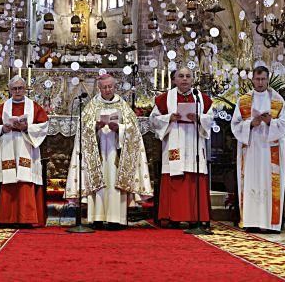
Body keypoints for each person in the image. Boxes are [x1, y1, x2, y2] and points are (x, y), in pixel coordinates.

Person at [65, 74, 152, 230]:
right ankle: (96, 219)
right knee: (99, 186)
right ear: (99, 88)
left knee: (114, 184)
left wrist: (120, 128)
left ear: (115, 87)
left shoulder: (123, 106)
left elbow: (134, 131)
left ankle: (115, 219)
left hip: (116, 155)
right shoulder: (92, 105)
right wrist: (95, 127)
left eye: (110, 86)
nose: (107, 90)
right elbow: (82, 129)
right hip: (97, 155)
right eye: (104, 87)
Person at [150, 67, 213, 228]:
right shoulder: (164, 99)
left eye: (188, 76)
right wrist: (169, 117)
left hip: (194, 143)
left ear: (193, 79)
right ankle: (173, 217)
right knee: (174, 175)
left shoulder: (202, 99)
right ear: (174, 79)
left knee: (194, 177)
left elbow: (210, 119)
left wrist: (199, 118)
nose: (184, 79)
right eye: (181, 76)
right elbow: (154, 120)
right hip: (174, 143)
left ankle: (196, 217)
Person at [231, 66, 285, 233]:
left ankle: (270, 224)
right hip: (250, 149)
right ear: (252, 80)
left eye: (263, 79)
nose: (260, 82)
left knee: (270, 183)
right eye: (257, 79)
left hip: (271, 149)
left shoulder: (278, 100)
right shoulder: (243, 100)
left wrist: (271, 122)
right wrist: (250, 123)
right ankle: (251, 221)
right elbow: (235, 125)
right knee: (251, 180)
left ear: (268, 79)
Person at [0, 76, 49, 227]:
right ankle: (4, 218)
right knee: (7, 179)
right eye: (14, 88)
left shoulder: (34, 107)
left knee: (25, 179)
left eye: (20, 88)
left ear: (25, 88)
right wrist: (3, 128)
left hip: (25, 146)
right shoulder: (3, 107)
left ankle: (26, 218)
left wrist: (26, 128)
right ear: (9, 90)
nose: (17, 91)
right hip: (7, 144)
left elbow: (44, 126)